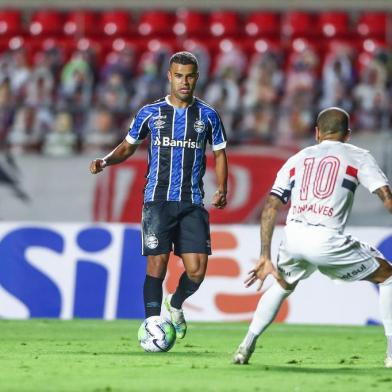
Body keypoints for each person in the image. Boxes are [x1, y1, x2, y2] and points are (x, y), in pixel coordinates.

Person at [233, 107, 392, 367]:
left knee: (283, 285)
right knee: (388, 276)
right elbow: (385, 197)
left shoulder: (297, 158)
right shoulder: (358, 156)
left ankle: (244, 347)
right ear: (348, 135)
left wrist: (265, 255)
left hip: (293, 238)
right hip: (326, 240)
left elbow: (271, 206)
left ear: (317, 133)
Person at [90, 51, 228, 339]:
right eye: (179, 75)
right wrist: (105, 160)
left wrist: (222, 188)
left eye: (189, 76)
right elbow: (128, 146)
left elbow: (220, 153)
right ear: (169, 76)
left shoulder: (208, 115)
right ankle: (152, 326)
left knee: (197, 271)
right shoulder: (150, 113)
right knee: (157, 262)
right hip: (157, 200)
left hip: (192, 201)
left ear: (197, 78)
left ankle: (175, 304)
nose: (184, 81)